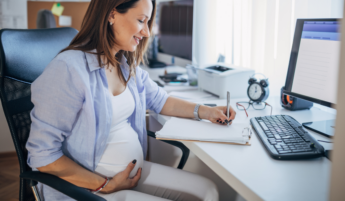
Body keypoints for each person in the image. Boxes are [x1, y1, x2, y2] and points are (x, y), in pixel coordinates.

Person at [26, 0, 236, 200]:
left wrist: (207, 111)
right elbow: (42, 155)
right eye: (141, 20)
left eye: (148, 23)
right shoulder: (68, 69)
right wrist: (105, 184)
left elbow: (161, 100)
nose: (146, 32)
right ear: (112, 14)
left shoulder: (124, 64)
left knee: (208, 191)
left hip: (130, 174)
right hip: (90, 189)